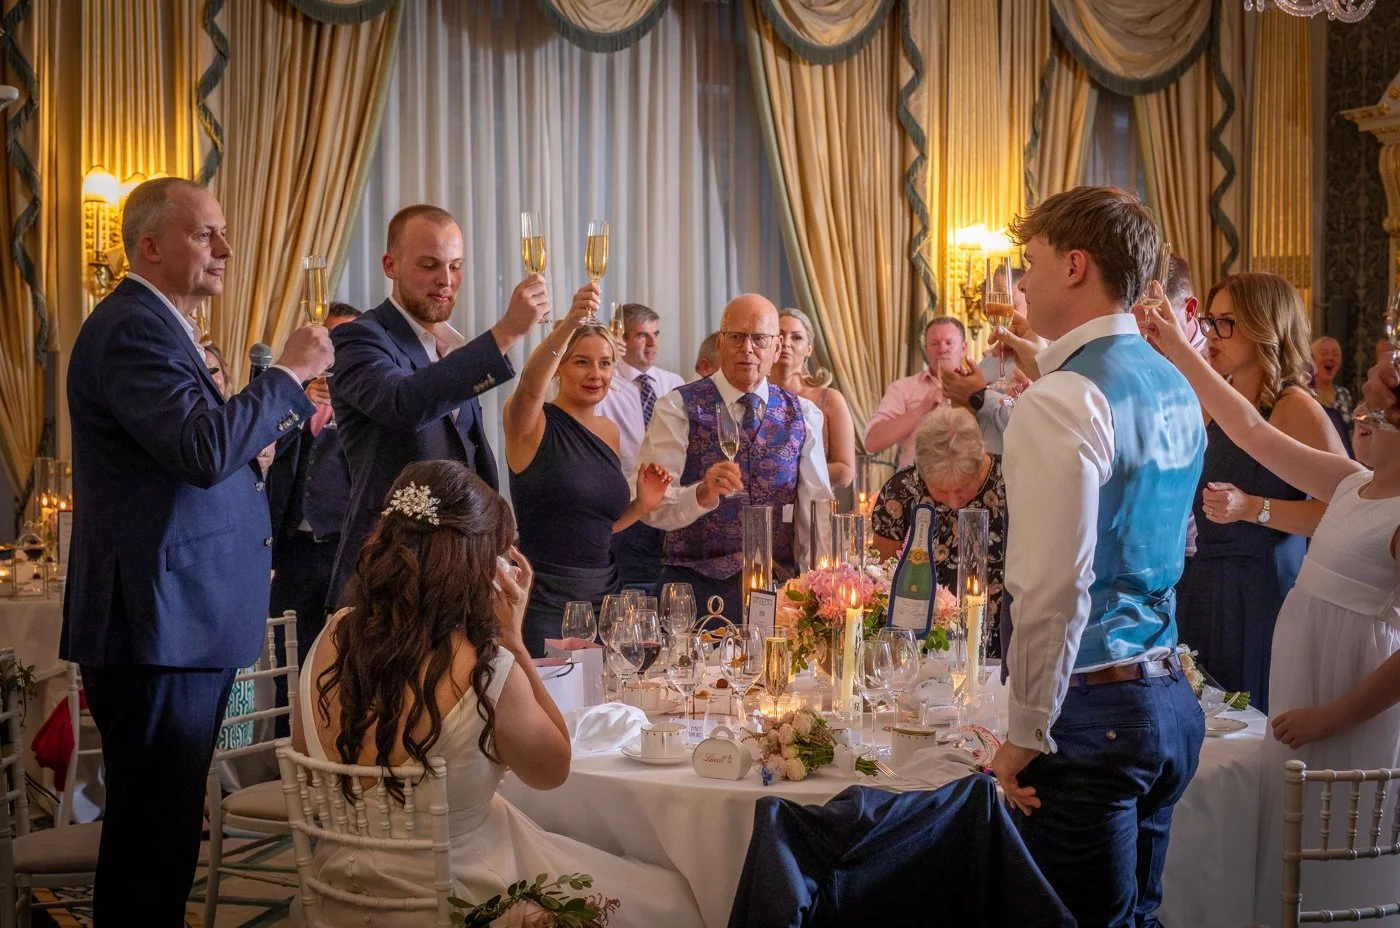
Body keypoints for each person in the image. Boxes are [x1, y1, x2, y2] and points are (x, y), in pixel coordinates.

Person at [63, 176, 333, 923]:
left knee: (170, 833)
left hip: (183, 618)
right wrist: (287, 374)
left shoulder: (164, 328)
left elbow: (196, 457)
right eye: (205, 234)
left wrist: (257, 456)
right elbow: (197, 447)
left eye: (223, 232)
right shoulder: (131, 327)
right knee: (152, 843)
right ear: (149, 245)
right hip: (158, 622)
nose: (227, 248)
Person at [294, 461, 704, 928]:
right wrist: (512, 638)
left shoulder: (331, 634)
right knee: (670, 899)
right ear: (474, 566)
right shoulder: (485, 669)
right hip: (463, 898)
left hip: (337, 895)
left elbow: (309, 766)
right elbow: (553, 769)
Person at [1140, 289, 1400, 924]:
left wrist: (1331, 716)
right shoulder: (1351, 485)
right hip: (1302, 680)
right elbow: (1248, 428)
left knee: (1332, 849)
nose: (1357, 412)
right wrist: (1178, 344)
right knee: (1286, 846)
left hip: (1346, 697)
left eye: (1367, 398)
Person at [985, 185, 1205, 926]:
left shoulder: (1063, 399)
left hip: (1095, 709)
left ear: (1075, 265)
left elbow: (1053, 587)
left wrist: (1024, 732)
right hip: (1168, 695)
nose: (1023, 281)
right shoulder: (1172, 381)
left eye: (1032, 262)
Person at [327, 204, 549, 607]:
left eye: (456, 266)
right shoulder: (359, 339)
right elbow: (404, 402)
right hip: (390, 579)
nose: (446, 281)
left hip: (463, 579)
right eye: (430, 265)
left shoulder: (456, 347)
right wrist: (505, 334)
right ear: (390, 265)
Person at [1174, 273, 1344, 711]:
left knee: (1249, 723)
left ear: (1265, 326)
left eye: (1226, 322)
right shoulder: (1215, 399)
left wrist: (1255, 508)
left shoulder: (1293, 407)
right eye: (1210, 321)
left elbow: (1345, 511)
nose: (1211, 334)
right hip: (1202, 586)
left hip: (1261, 594)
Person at [639, 294, 834, 622]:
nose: (747, 349)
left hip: (780, 597)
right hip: (694, 594)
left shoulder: (803, 414)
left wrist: (821, 590)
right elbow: (650, 508)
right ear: (720, 342)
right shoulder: (676, 408)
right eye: (736, 337)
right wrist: (699, 494)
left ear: (776, 348)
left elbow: (817, 515)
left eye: (759, 339)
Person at [504, 286, 672, 655]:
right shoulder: (530, 424)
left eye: (605, 362)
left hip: (606, 596)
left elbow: (597, 529)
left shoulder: (609, 431)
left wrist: (641, 506)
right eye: (581, 361)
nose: (596, 373)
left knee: (606, 706)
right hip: (545, 598)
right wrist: (567, 327)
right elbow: (531, 385)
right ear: (560, 366)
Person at [870, 407, 1006, 654]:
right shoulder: (901, 492)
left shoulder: (1010, 483)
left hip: (999, 642)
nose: (954, 502)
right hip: (921, 646)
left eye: (963, 488)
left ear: (980, 463)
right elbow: (882, 579)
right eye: (941, 491)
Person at [268, 302, 362, 654]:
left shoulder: (371, 398)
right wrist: (299, 402)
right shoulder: (293, 394)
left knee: (345, 657)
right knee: (287, 654)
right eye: (328, 339)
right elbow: (267, 455)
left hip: (349, 550)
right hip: (295, 551)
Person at [595, 302, 686, 590]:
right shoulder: (603, 384)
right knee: (631, 589)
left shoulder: (673, 382)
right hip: (623, 505)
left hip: (670, 504)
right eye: (643, 335)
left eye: (656, 334)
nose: (652, 343)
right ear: (622, 339)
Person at [864, 316, 964, 468]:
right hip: (914, 483)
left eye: (949, 343)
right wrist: (922, 409)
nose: (942, 349)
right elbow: (872, 442)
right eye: (934, 343)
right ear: (926, 349)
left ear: (963, 348)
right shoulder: (903, 388)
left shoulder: (980, 387)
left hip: (967, 483)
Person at [773, 308, 856, 489]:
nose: (786, 342)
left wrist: (784, 472)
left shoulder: (830, 400)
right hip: (759, 510)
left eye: (796, 337)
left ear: (809, 349)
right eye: (779, 335)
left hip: (813, 510)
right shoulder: (754, 396)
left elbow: (845, 472)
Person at [1311, 335, 1355, 456]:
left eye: (1335, 354)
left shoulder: (1344, 394)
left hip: (1347, 463)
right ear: (1311, 359)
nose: (1330, 357)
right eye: (1324, 353)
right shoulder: (1306, 394)